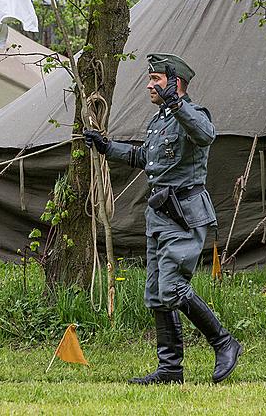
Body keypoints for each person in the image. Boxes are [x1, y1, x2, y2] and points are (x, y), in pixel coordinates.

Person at [84, 53, 242, 385]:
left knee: (172, 288)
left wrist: (177, 104)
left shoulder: (192, 115)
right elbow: (146, 158)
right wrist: (106, 147)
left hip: (185, 214)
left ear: (175, 83)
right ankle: (170, 370)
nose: (149, 85)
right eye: (151, 79)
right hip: (159, 216)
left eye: (156, 79)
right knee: (157, 294)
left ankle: (224, 342)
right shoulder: (160, 120)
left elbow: (206, 135)